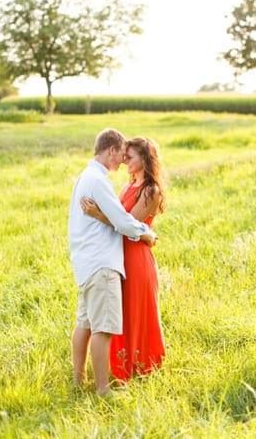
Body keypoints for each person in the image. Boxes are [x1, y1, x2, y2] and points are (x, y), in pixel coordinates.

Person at [68, 128, 158, 396]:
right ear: (111, 150)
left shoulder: (86, 177)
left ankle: (78, 380)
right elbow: (121, 220)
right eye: (121, 154)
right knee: (103, 328)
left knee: (85, 323)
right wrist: (146, 233)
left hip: (87, 261)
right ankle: (102, 389)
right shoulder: (98, 181)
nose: (122, 160)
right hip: (102, 262)